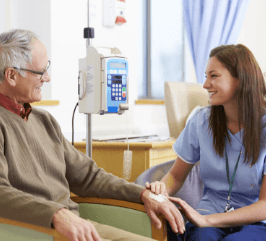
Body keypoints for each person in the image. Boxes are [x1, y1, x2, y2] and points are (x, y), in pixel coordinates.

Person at [0, 29, 185, 241]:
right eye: (40, 72)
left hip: (77, 226)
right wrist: (55, 215)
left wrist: (142, 194)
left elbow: (89, 177)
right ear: (11, 75)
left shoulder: (45, 121)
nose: (47, 78)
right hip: (40, 230)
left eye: (47, 68)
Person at [146, 44, 266, 240]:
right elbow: (175, 176)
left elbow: (265, 204)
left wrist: (209, 221)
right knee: (202, 237)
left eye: (214, 76)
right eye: (205, 76)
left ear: (240, 79)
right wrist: (161, 190)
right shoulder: (201, 121)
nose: (205, 84)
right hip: (207, 213)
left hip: (256, 222)